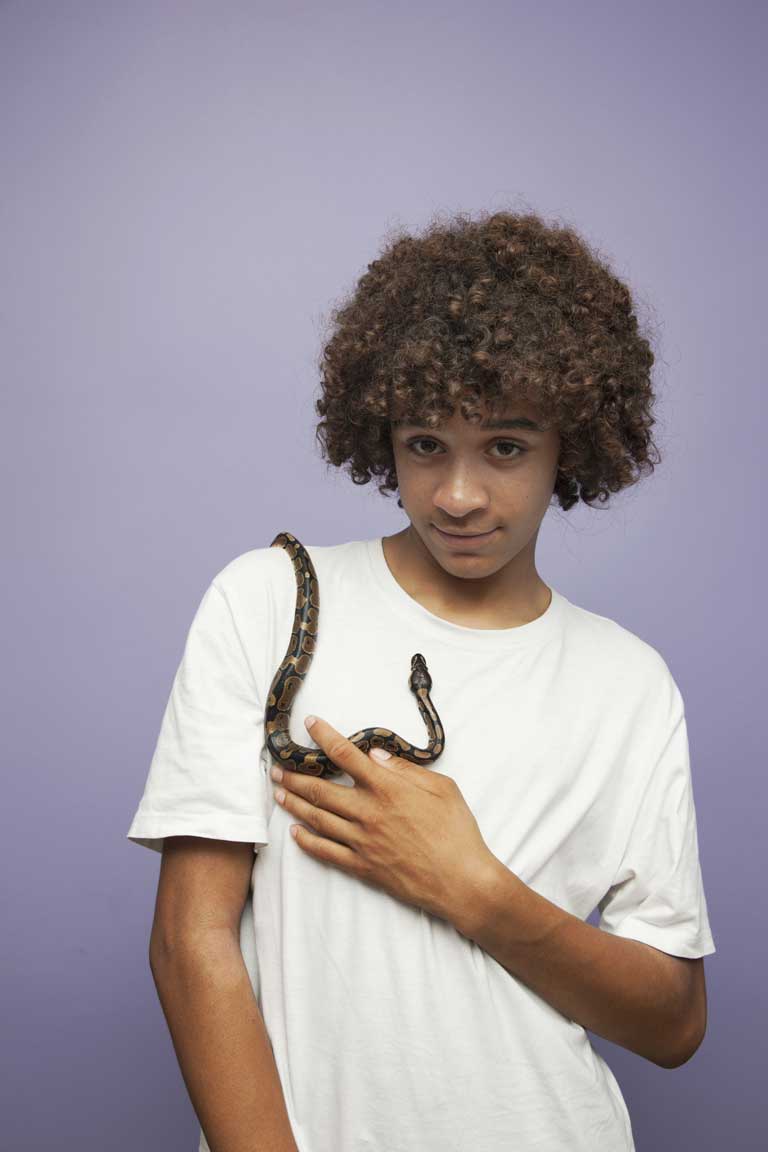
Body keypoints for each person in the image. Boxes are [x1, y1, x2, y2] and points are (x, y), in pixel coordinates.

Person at [127, 208, 716, 1152]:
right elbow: (189, 945)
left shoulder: (629, 683)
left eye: (508, 447)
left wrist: (471, 884)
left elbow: (674, 1022)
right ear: (380, 431)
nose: (458, 495)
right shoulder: (267, 600)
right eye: (425, 443)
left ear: (576, 440)